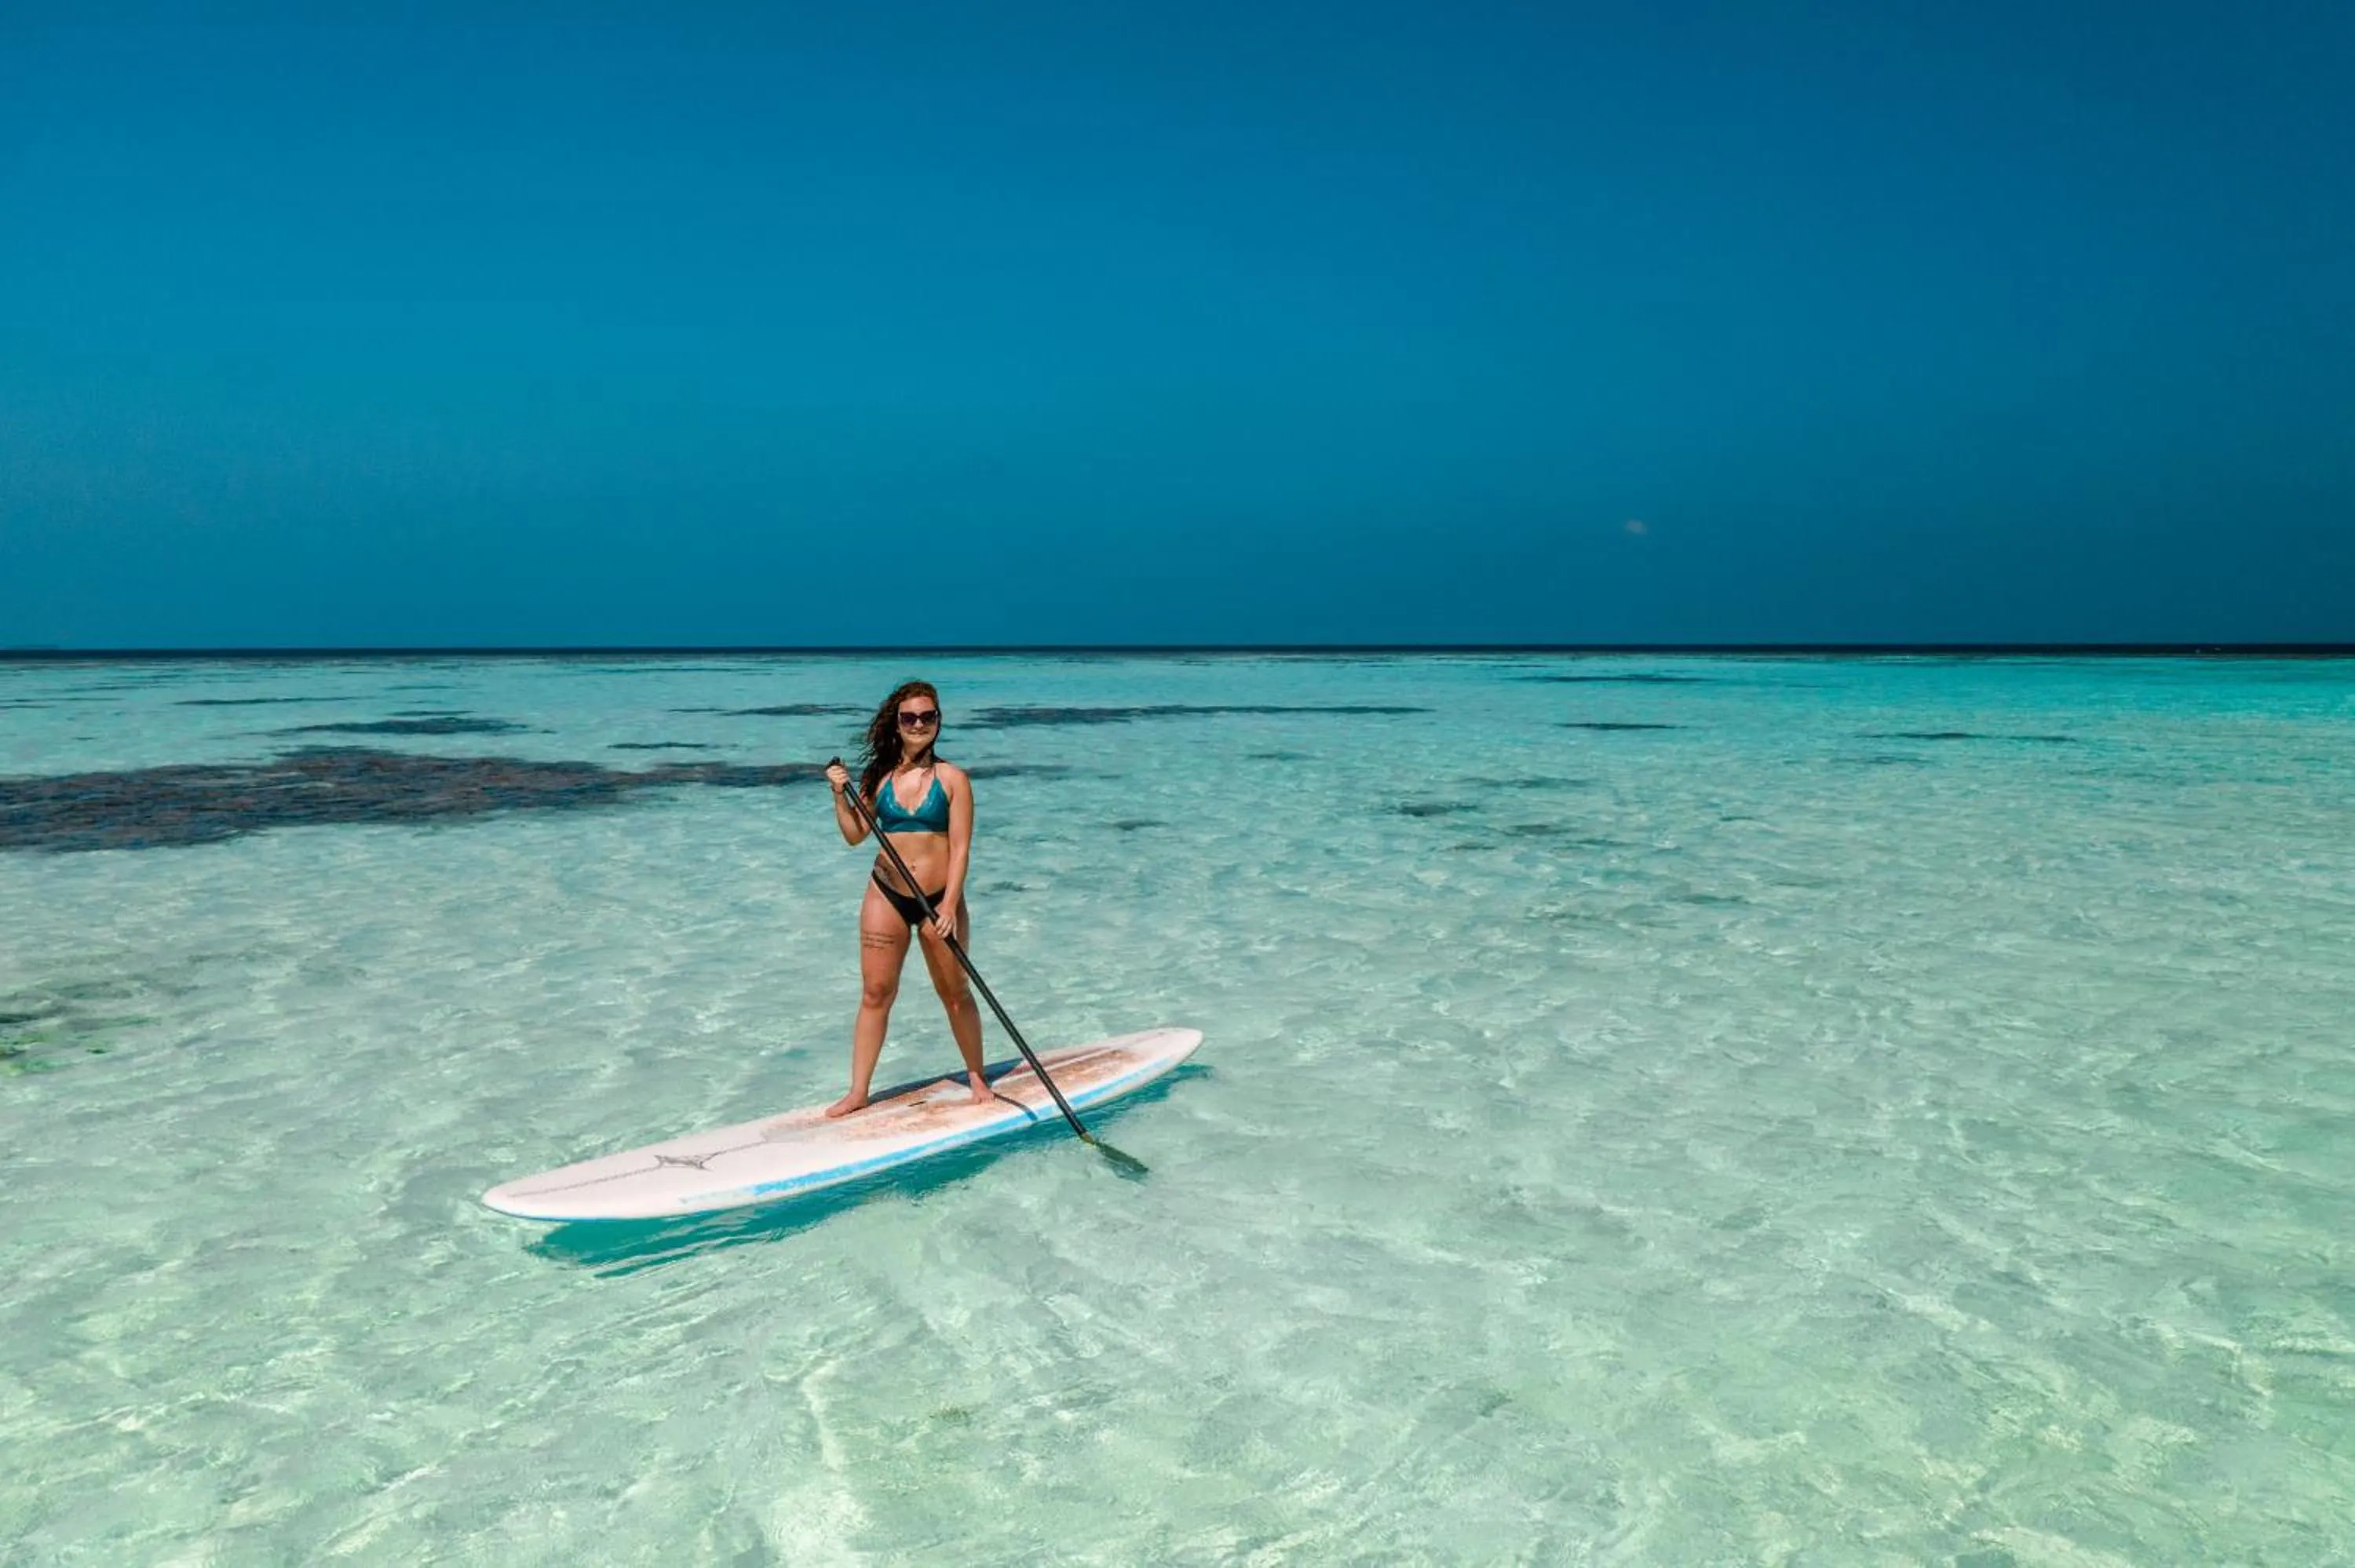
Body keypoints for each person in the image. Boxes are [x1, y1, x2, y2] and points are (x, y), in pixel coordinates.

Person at [822, 681, 988, 1115]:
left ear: (938, 722)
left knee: (954, 993)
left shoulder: (954, 780)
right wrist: (839, 796)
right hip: (886, 892)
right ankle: (859, 1092)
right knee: (876, 993)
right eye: (909, 718)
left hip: (939, 900)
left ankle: (975, 1075)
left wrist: (950, 904)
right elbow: (855, 835)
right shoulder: (878, 778)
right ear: (897, 724)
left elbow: (962, 847)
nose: (918, 724)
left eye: (927, 717)